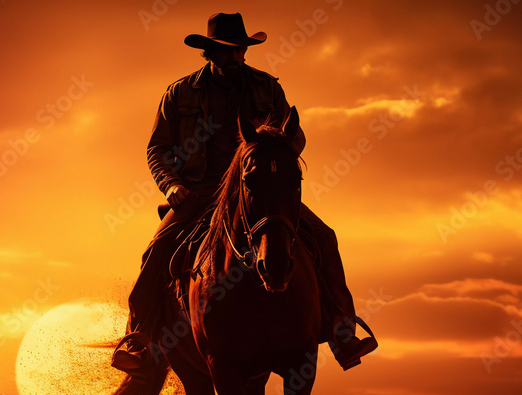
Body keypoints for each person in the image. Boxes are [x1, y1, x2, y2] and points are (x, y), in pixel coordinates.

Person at [112, 12, 377, 375]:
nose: (236, 56)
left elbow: (293, 136)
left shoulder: (268, 87)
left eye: (240, 49)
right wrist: (171, 185)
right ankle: (139, 339)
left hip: (258, 189)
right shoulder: (179, 93)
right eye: (227, 50)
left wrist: (275, 152)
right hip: (200, 191)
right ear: (209, 53)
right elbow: (157, 148)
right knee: (156, 250)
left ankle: (342, 330)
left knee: (324, 238)